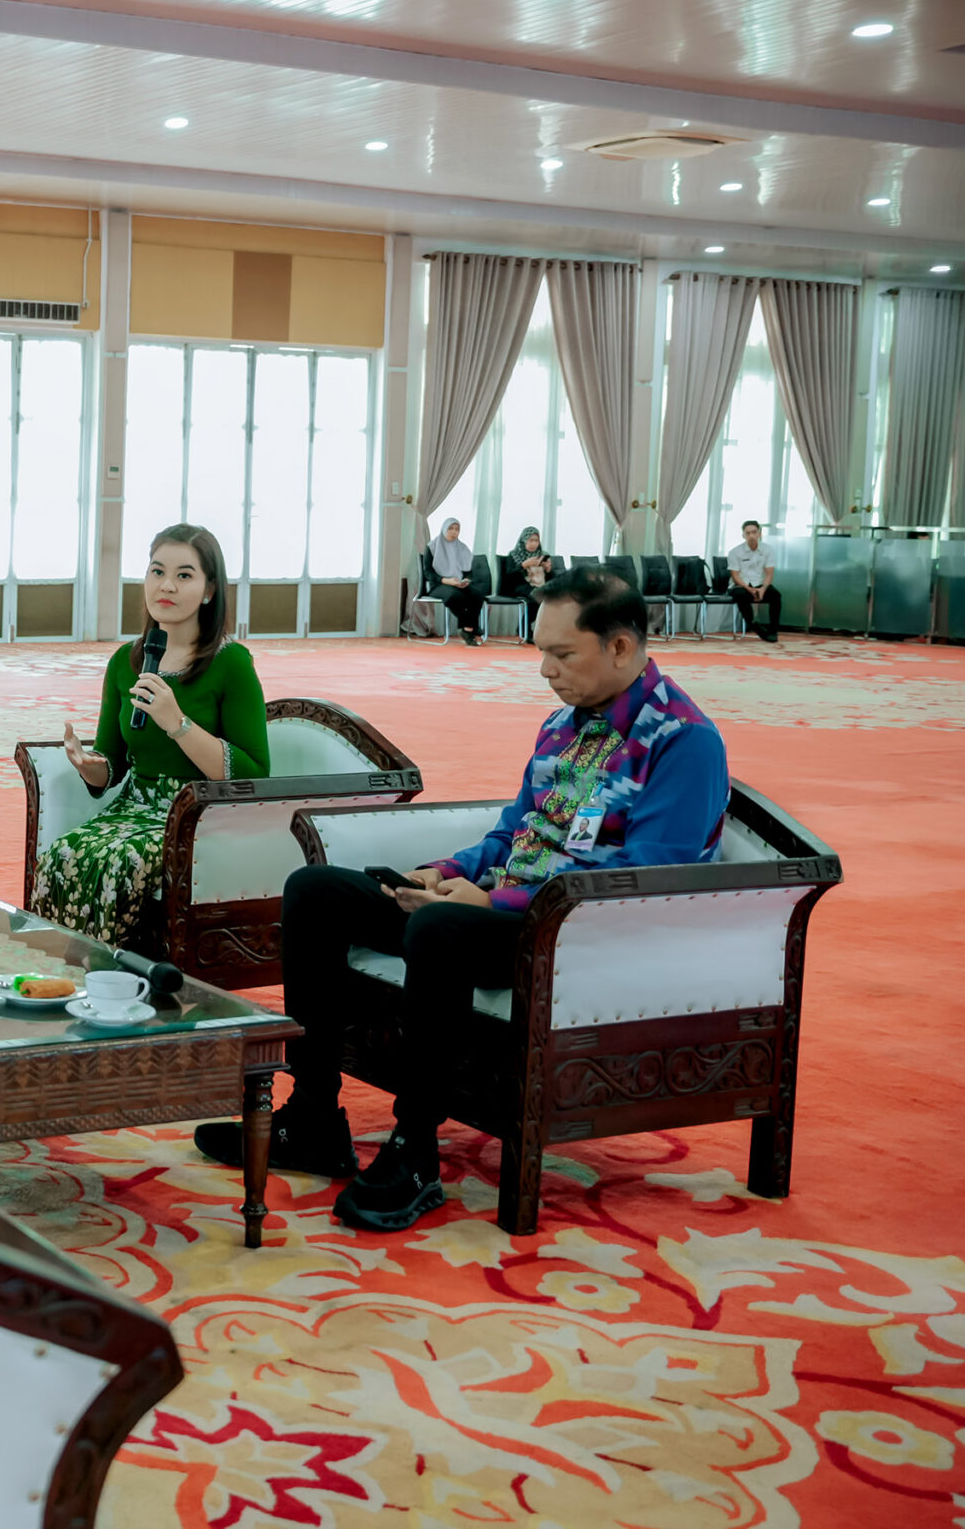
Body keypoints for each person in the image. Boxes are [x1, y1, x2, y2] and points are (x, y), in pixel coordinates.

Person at [196, 566, 728, 1232]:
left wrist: (494, 904)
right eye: (542, 651)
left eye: (562, 654)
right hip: (498, 911)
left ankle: (415, 1151)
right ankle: (313, 1116)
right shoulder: (566, 726)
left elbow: (644, 879)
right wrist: (439, 873)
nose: (545, 670)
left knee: (440, 930)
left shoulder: (682, 741)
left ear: (620, 646)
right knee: (316, 892)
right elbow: (514, 833)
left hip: (572, 936)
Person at [31, 524, 269, 947]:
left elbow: (253, 774)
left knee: (119, 864)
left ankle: (113, 973)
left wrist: (177, 723)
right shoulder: (127, 660)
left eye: (184, 575)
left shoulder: (231, 664)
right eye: (157, 571)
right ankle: (62, 970)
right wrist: (88, 766)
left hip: (196, 813)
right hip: (133, 807)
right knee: (61, 855)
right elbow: (112, 763)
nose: (167, 586)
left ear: (209, 590)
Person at [424, 517, 485, 645]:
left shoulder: (462, 548)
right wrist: (446, 581)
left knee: (477, 595)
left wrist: (465, 581)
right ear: (444, 529)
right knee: (455, 596)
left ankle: (467, 630)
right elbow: (428, 572)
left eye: (457, 529)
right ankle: (471, 626)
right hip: (439, 585)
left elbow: (468, 572)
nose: (454, 532)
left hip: (458, 583)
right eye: (450, 528)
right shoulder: (432, 547)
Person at [496, 526, 555, 645]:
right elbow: (508, 576)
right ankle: (526, 629)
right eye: (531, 540)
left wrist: (548, 570)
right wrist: (523, 565)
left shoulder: (542, 555)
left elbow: (550, 578)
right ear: (524, 541)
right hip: (518, 585)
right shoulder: (514, 555)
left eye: (536, 540)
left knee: (548, 596)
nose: (534, 543)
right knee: (535, 596)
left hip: (538, 585)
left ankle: (526, 627)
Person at [728, 519, 781, 643]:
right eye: (748, 533)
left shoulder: (768, 550)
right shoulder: (734, 552)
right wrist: (749, 589)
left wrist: (763, 589)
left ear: (759, 534)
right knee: (741, 595)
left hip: (760, 584)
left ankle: (773, 631)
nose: (751, 536)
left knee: (776, 595)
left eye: (754, 532)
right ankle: (754, 625)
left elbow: (769, 573)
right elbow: (735, 576)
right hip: (740, 585)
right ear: (743, 535)